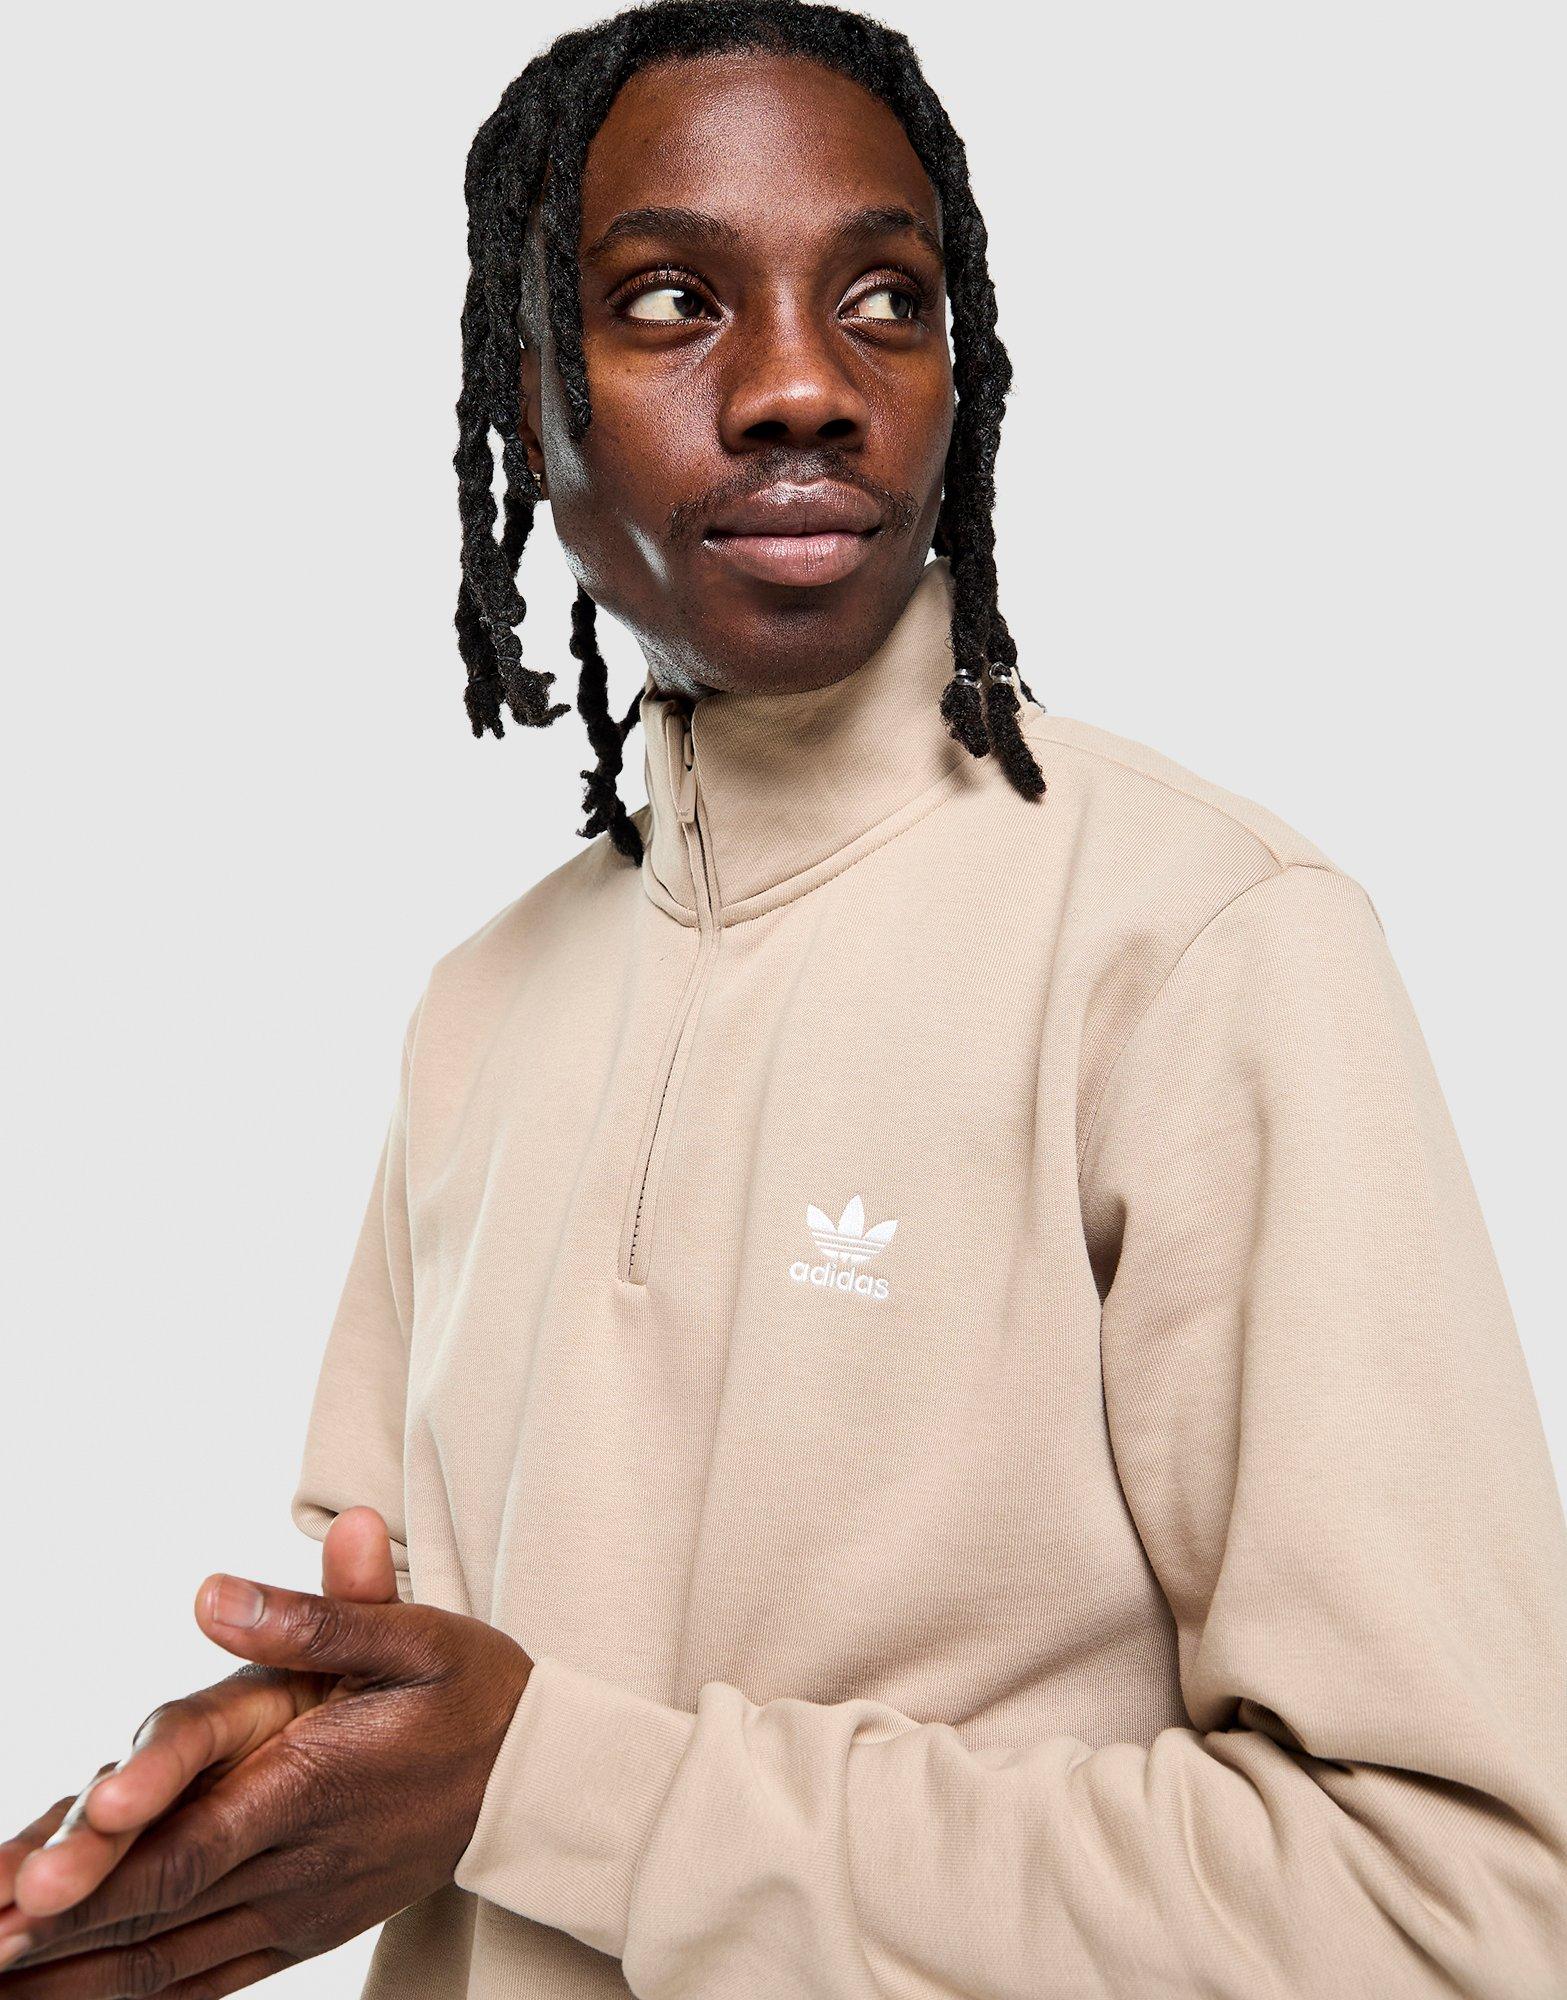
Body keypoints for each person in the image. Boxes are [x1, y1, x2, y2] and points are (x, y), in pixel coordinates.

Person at [3, 1, 1565, 1994]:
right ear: (528, 402)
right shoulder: (477, 1011)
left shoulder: (1200, 946)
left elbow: (1456, 1908)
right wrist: (249, 1803)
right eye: (671, 301)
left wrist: (546, 1785)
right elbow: (454, 1727)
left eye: (884, 302)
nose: (806, 387)